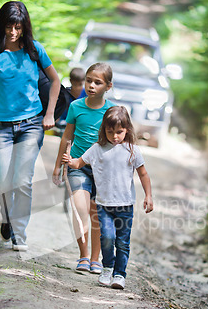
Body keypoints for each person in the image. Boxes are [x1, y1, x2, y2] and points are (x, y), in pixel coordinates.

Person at [0, 1, 60, 251]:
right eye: (9, 26)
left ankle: (19, 233)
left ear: (24, 28)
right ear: (2, 26)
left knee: (23, 179)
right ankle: (7, 217)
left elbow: (55, 81)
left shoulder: (34, 51)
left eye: (17, 27)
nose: (13, 32)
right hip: (0, 127)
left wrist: (49, 113)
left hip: (32, 124)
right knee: (4, 182)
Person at [62, 106, 153, 289]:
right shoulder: (97, 149)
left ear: (127, 129)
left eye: (119, 132)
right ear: (104, 129)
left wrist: (148, 196)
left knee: (122, 242)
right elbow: (80, 162)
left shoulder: (132, 150)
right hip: (104, 205)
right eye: (110, 132)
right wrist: (70, 161)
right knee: (108, 238)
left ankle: (120, 275)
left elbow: (143, 174)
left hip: (125, 206)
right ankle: (107, 268)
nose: (115, 136)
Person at [52, 62, 114, 274]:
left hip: (102, 170)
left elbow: (119, 143)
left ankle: (96, 258)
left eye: (98, 82)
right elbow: (66, 137)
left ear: (108, 86)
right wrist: (57, 166)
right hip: (77, 165)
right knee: (80, 209)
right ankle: (83, 255)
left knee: (96, 212)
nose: (91, 86)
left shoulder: (112, 111)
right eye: (89, 81)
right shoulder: (75, 107)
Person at [55, 67, 86, 136]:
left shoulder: (87, 95)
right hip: (64, 124)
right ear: (71, 81)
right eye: (75, 84)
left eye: (80, 84)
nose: (77, 88)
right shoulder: (65, 94)